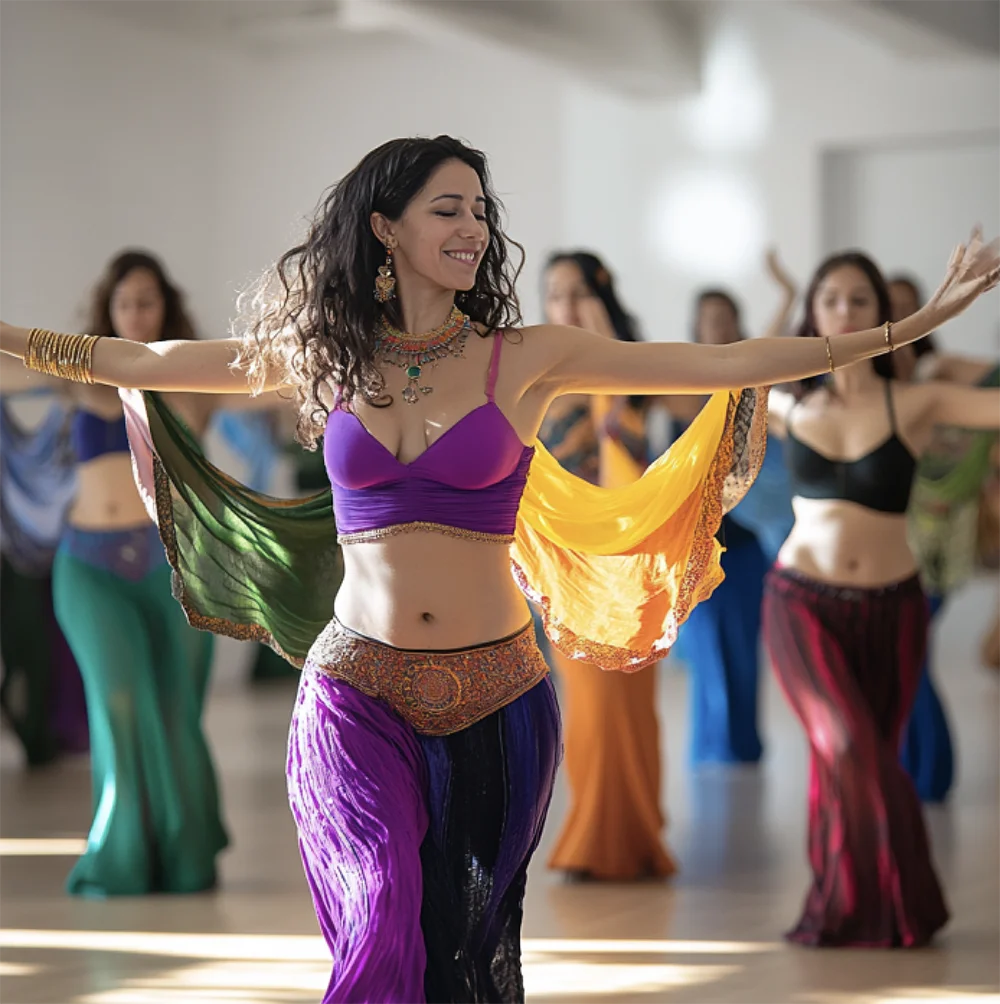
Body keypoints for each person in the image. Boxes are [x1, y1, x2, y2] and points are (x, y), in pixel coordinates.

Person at [1, 137, 996, 997]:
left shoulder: (528, 356)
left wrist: (908, 327)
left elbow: (728, 366)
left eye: (480, 207)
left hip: (501, 692)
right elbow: (137, 360)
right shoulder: (320, 353)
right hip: (355, 686)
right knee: (382, 906)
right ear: (384, 227)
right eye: (447, 206)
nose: (472, 224)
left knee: (471, 943)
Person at [764, 248, 1000, 948]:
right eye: (829, 298)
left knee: (874, 755)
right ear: (813, 312)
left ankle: (864, 904)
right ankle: (884, 898)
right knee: (843, 743)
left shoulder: (918, 400)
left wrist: (952, 335)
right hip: (801, 600)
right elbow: (708, 387)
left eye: (859, 300)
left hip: (892, 606)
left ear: (882, 314)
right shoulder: (783, 398)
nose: (843, 310)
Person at [0, 251, 229, 896]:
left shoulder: (191, 381)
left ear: (166, 307)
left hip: (175, 565)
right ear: (108, 310)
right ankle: (122, 854)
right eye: (124, 302)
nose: (135, 312)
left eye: (146, 301)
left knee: (175, 706)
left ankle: (187, 855)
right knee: (118, 702)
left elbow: (267, 389)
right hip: (89, 565)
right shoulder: (77, 381)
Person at [538, 249, 675, 881]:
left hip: (630, 563)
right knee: (587, 706)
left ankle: (636, 833)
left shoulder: (634, 371)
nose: (563, 306)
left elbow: (636, 445)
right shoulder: (536, 379)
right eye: (554, 294)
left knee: (631, 704)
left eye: (576, 293)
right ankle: (594, 834)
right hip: (567, 569)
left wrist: (602, 335)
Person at [889, 273, 1000, 801]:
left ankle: (928, 772)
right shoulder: (867, 381)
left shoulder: (939, 370)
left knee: (908, 649)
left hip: (940, 535)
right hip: (889, 537)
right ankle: (917, 768)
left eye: (913, 310)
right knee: (904, 653)